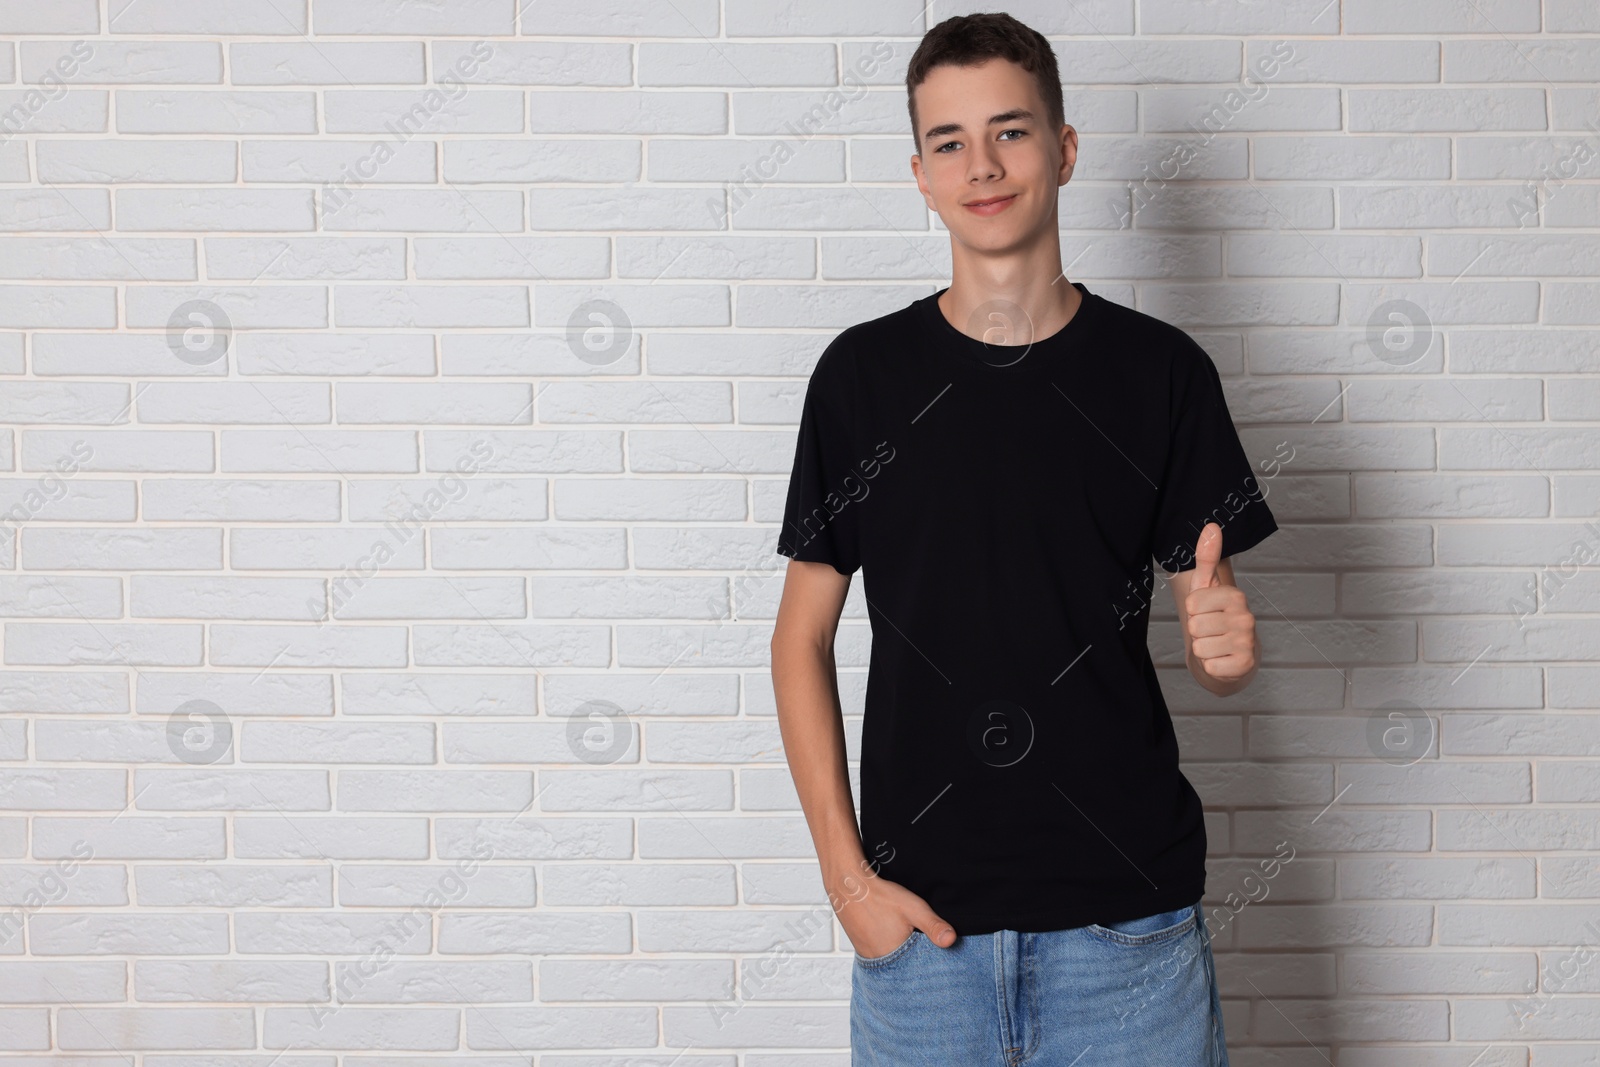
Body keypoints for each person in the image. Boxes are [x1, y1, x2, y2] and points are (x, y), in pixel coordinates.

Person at [768, 12, 1278, 1066]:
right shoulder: (861, 379)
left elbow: (1205, 615)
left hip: (1127, 936)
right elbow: (799, 638)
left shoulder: (1159, 374)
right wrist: (846, 881)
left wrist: (1221, 639)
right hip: (920, 943)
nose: (982, 164)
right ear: (918, 172)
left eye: (1010, 131)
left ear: (1064, 148)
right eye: (949, 141)